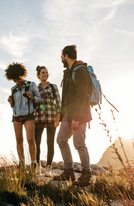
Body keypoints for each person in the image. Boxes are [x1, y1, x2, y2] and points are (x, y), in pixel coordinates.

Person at [53, 45, 92, 187]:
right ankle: (68, 170)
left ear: (66, 56)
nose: (61, 58)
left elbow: (82, 95)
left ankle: (86, 173)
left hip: (79, 115)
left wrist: (76, 117)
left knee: (79, 143)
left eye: (62, 56)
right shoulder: (67, 72)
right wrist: (60, 114)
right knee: (61, 139)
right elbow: (65, 97)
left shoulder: (80, 71)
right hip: (67, 115)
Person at [5, 62, 41, 167]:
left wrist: (32, 97)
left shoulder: (31, 85)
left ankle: (34, 164)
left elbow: (40, 100)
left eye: (18, 79)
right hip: (16, 116)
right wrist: (11, 102)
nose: (17, 81)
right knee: (19, 139)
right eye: (14, 80)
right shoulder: (13, 89)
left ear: (22, 75)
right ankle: (21, 164)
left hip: (29, 115)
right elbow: (14, 106)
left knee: (30, 139)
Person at [34, 66, 61, 176]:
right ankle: (37, 165)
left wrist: (58, 117)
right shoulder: (35, 88)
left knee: (50, 142)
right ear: (38, 75)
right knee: (37, 142)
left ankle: (48, 167)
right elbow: (33, 104)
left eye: (46, 72)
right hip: (38, 118)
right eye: (43, 73)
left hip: (51, 117)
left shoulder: (53, 87)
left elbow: (59, 102)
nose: (45, 74)